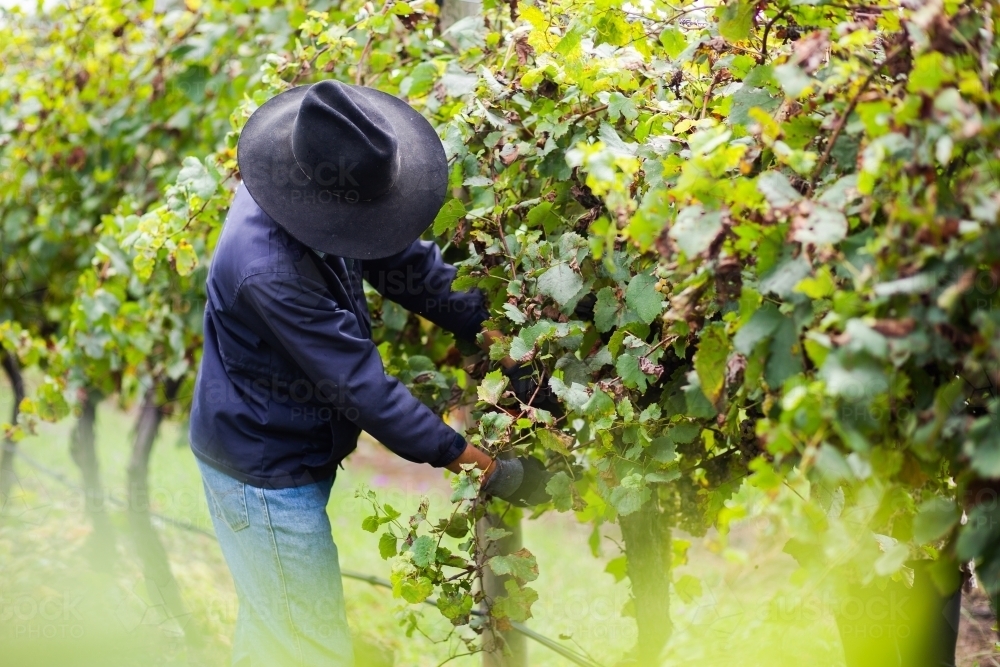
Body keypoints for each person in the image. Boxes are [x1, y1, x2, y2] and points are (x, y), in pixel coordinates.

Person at [188, 79, 549, 666]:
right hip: (264, 476)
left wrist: (492, 331)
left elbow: (401, 260)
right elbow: (363, 390)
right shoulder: (267, 270)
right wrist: (488, 469)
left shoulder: (313, 187)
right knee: (312, 650)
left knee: (276, 636)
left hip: (283, 450)